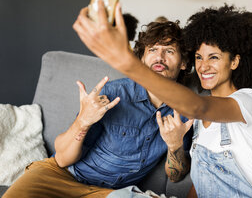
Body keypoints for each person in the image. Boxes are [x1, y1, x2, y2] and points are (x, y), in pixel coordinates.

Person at [72, 0, 252, 197]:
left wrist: (128, 63)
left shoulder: (246, 101)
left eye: (214, 57)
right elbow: (203, 182)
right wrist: (175, 144)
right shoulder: (194, 127)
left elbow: (198, 107)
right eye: (198, 57)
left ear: (234, 62)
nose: (203, 67)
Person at [3, 20, 193, 198]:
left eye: (169, 51)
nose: (159, 57)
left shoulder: (185, 112)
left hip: (106, 193)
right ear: (142, 59)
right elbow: (62, 160)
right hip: (59, 175)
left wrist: (175, 145)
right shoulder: (114, 93)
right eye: (152, 49)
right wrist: (82, 122)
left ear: (183, 62)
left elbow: (175, 176)